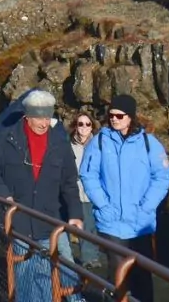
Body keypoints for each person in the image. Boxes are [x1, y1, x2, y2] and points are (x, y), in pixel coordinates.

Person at [0, 89, 84, 302]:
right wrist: (4, 196)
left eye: (47, 117)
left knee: (58, 271)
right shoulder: (7, 139)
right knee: (26, 274)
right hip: (19, 218)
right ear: (27, 116)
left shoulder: (60, 143)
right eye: (38, 117)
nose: (44, 122)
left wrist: (75, 214)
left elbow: (69, 183)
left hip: (50, 218)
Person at [80, 94, 169, 302]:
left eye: (119, 115)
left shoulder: (149, 143)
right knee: (117, 276)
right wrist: (103, 204)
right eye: (111, 115)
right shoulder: (100, 142)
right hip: (111, 222)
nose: (114, 119)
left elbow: (163, 174)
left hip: (141, 223)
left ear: (130, 117)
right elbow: (88, 174)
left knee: (142, 276)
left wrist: (147, 206)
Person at [69, 112, 101, 269]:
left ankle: (93, 255)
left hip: (95, 190)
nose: (84, 127)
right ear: (75, 126)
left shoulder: (98, 144)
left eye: (87, 124)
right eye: (80, 124)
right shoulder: (69, 145)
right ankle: (89, 257)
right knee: (85, 224)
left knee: (94, 225)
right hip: (77, 190)